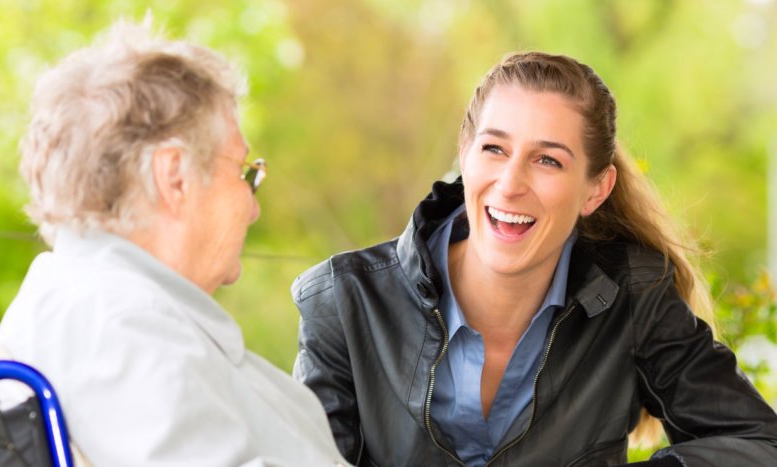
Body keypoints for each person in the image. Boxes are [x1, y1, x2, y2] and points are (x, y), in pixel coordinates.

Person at [292, 51, 777, 466]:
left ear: (596, 189)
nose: (510, 183)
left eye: (548, 160)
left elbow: (760, 443)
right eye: (494, 148)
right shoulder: (344, 302)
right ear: (465, 154)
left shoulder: (634, 297)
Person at [0, 20, 348, 466]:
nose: (253, 207)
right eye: (243, 172)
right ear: (174, 176)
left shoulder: (98, 309)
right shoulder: (116, 331)